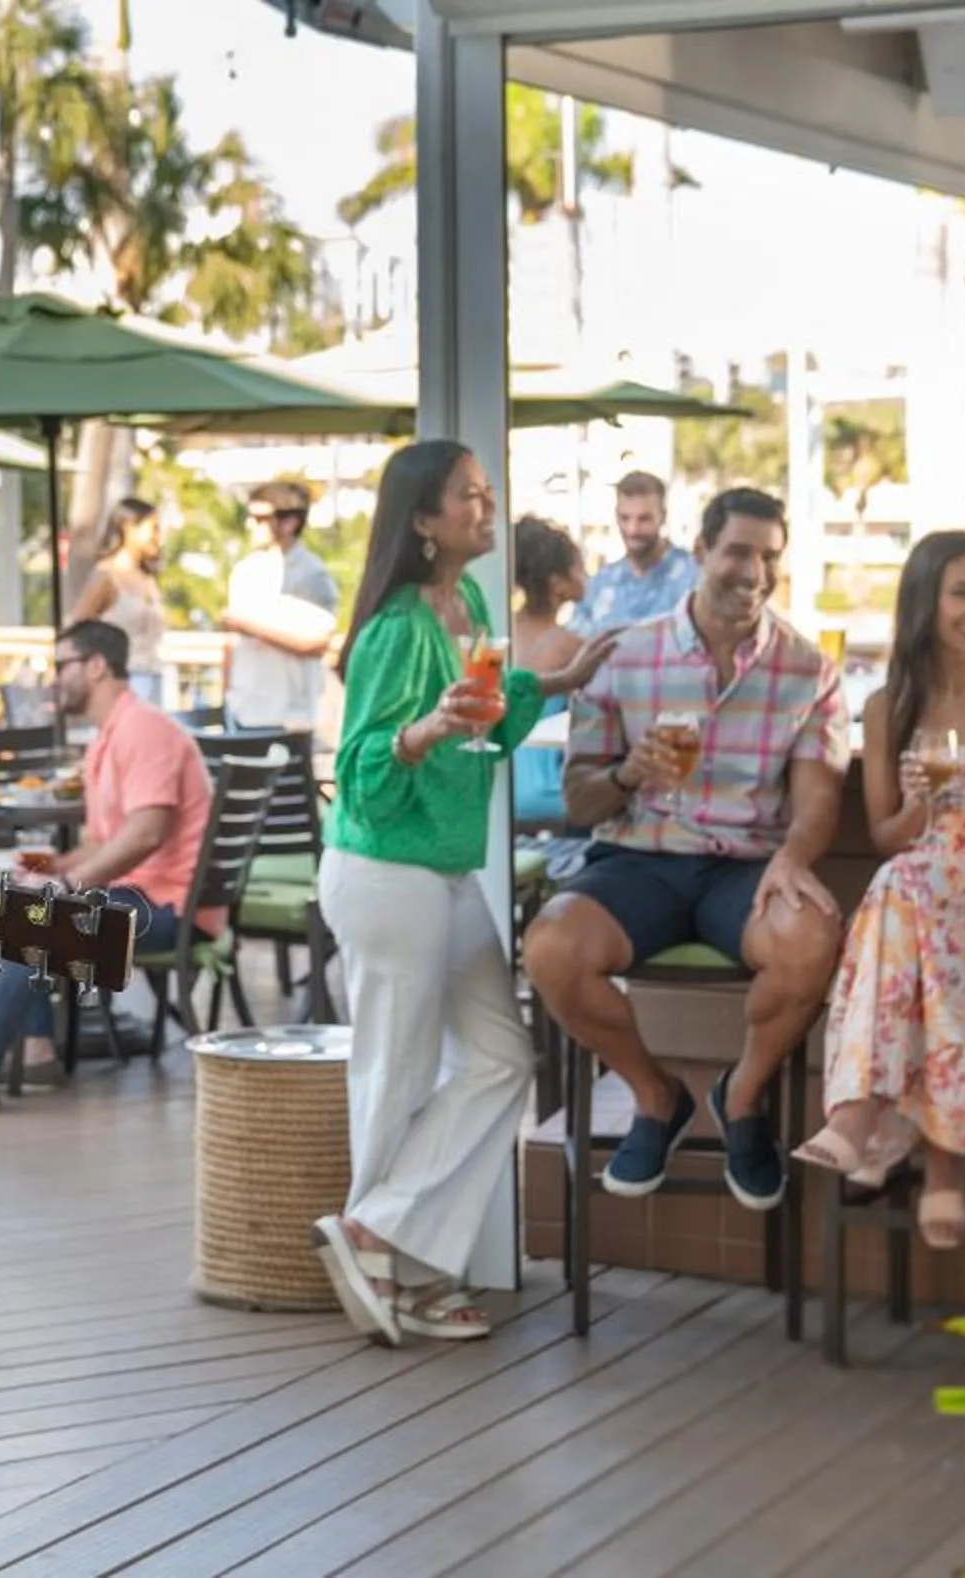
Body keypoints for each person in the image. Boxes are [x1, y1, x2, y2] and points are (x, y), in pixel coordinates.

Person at [312, 442, 616, 1345]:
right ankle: (391, 1266)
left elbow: (488, 707)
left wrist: (556, 685)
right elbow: (362, 770)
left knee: (499, 1060)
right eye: (468, 496)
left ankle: (387, 1232)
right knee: (395, 1074)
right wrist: (426, 729)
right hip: (385, 874)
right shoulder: (392, 630)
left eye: (488, 493)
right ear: (423, 521)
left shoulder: (473, 602)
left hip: (444, 871)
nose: (488, 508)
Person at [520, 487, 848, 1212]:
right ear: (698, 552)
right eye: (737, 551)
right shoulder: (623, 655)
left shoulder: (807, 669)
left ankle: (742, 1096)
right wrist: (629, 771)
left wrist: (794, 859)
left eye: (768, 557)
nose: (753, 571)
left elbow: (819, 796)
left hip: (748, 865)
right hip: (639, 860)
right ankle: (655, 1097)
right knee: (549, 950)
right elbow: (580, 799)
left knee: (811, 942)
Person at [792, 532, 965, 1250]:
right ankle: (944, 1169)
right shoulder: (891, 704)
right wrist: (922, 805)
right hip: (927, 890)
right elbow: (892, 835)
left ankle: (864, 1115)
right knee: (913, 898)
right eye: (963, 592)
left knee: (907, 888)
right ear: (925, 599)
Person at [0, 620, 215, 1115]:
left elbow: (147, 833)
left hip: (171, 907)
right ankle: (38, 1051)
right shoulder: (106, 739)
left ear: (96, 667)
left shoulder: (145, 729)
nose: (54, 678)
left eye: (61, 664)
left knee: (40, 918)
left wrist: (67, 883)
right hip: (136, 896)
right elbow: (101, 842)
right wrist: (55, 867)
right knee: (15, 902)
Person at [223, 480, 340, 731]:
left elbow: (317, 643)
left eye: (259, 518)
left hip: (290, 713)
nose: (250, 525)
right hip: (245, 706)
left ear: (289, 522)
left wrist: (249, 627)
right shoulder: (245, 571)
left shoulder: (312, 574)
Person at [509, 515, 589, 827]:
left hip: (503, 792)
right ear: (557, 583)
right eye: (579, 568)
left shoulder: (502, 631)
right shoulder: (570, 645)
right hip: (548, 796)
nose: (587, 576)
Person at [66, 497, 169, 705]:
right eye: (154, 529)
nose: (159, 538)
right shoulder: (106, 576)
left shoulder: (148, 579)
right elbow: (76, 627)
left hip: (153, 678)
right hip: (119, 684)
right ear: (128, 527)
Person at [567, 471, 697, 634]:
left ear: (663, 517)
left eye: (644, 519)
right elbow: (574, 643)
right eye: (625, 518)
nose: (633, 529)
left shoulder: (693, 578)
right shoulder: (600, 584)